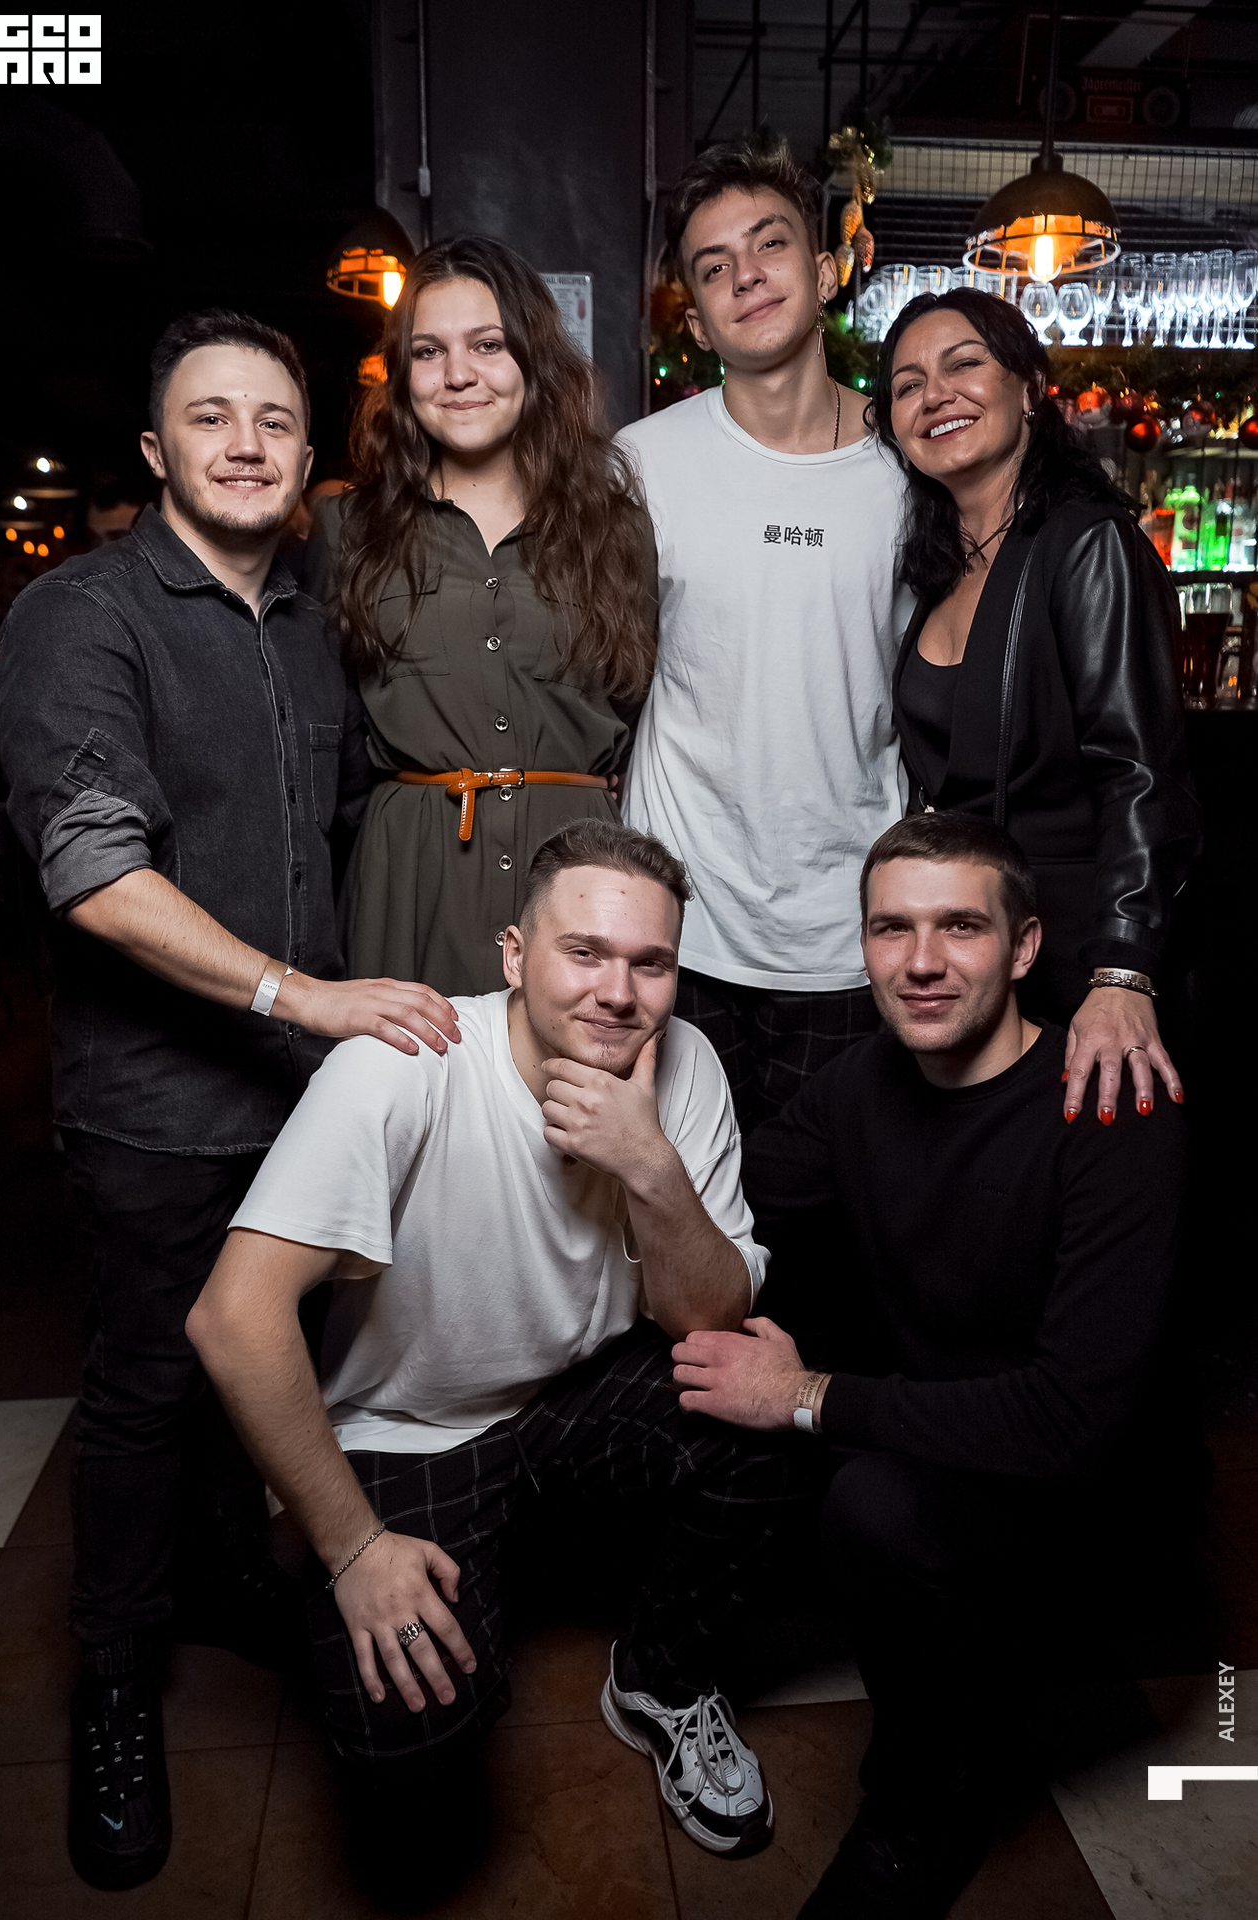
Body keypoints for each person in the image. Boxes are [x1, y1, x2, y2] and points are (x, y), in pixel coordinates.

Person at [0, 309, 461, 1893]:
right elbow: (92, 872)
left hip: (298, 1100)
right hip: (151, 1099)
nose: (246, 444)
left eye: (273, 419)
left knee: (268, 1366)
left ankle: (215, 1576)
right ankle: (116, 1679)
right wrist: (303, 997)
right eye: (210, 417)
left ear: (308, 454)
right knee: (142, 1388)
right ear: (154, 450)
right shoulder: (82, 615)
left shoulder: (316, 626)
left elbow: (351, 828)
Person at [187, 819, 809, 1907]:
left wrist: (651, 1166)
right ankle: (338, 1572)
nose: (617, 993)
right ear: (514, 956)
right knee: (410, 1753)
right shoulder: (405, 1064)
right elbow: (232, 1320)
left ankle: (658, 1681)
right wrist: (351, 1547)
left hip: (573, 1395)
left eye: (650, 963)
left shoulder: (687, 1065)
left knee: (763, 1407)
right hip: (412, 1429)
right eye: (583, 952)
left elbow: (706, 1318)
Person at [670, 813, 1188, 1919]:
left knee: (872, 1504)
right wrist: (627, 1149)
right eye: (889, 929)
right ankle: (668, 1666)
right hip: (944, 1432)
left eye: (960, 926)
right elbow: (727, 1205)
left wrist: (807, 1398)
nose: (920, 961)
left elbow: (1073, 1421)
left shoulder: (1111, 1102)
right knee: (717, 1365)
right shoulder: (855, 1087)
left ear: (1025, 945)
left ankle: (923, 1808)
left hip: (1089, 1501)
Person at [618, 133, 914, 1133]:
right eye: (713, 268)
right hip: (678, 927)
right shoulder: (640, 463)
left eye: (769, 244)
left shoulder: (907, 466)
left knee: (821, 1215)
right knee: (666, 1203)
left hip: (846, 931)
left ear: (825, 273)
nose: (745, 276)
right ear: (696, 322)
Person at [873, 287, 1202, 1121]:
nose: (934, 395)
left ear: (1028, 388)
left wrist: (1122, 969)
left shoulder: (1087, 544)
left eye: (963, 365)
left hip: (1080, 956)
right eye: (907, 385)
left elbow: (1141, 776)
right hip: (974, 951)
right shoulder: (937, 570)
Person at [304, 234, 658, 997]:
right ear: (402, 376)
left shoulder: (615, 527)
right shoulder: (350, 527)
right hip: (409, 873)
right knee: (407, 1071)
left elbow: (631, 696)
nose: (458, 374)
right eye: (428, 352)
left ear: (533, 359)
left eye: (487, 345)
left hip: (575, 871)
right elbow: (330, 731)